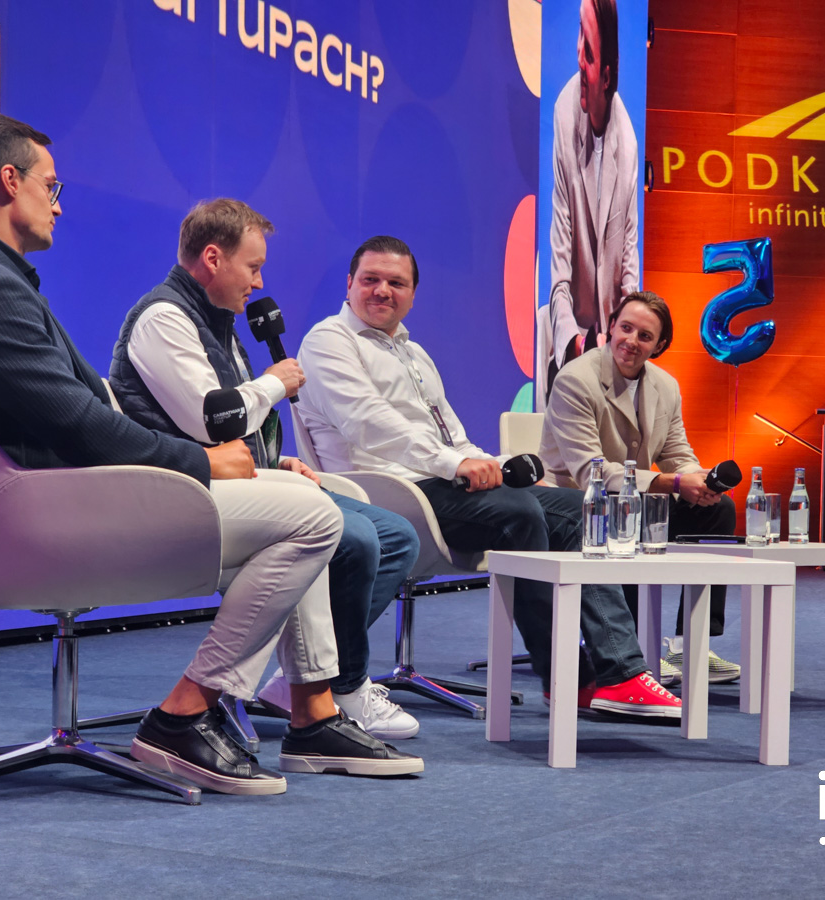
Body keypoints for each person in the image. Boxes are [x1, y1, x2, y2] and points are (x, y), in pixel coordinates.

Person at [0, 114, 420, 798]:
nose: (58, 203)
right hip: (53, 511)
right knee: (312, 519)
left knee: (304, 506)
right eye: (51, 186)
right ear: (9, 182)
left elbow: (87, 415)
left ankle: (306, 712)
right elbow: (85, 428)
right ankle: (187, 712)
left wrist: (240, 466)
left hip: (63, 495)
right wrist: (203, 464)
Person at [296, 235, 680, 718]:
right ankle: (564, 676)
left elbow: (453, 436)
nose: (382, 291)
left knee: (581, 509)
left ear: (413, 293)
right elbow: (368, 423)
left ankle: (616, 673)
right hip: (384, 490)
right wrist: (453, 465)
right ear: (349, 283)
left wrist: (498, 467)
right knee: (518, 513)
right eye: (371, 279)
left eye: (396, 283)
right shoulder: (329, 340)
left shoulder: (414, 354)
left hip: (439, 483)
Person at [109, 198, 421, 740]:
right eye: (253, 267)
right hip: (188, 494)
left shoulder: (219, 321)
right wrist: (276, 381)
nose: (258, 283)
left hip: (245, 480)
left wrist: (276, 461)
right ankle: (328, 694)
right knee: (347, 536)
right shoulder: (164, 318)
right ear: (213, 258)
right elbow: (213, 420)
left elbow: (236, 427)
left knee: (395, 535)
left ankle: (311, 687)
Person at [539, 291, 741, 685]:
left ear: (659, 345)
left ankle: (690, 644)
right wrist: (673, 482)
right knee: (625, 514)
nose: (631, 341)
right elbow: (592, 473)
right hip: (579, 505)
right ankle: (630, 651)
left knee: (718, 510)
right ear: (611, 326)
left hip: (635, 498)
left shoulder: (666, 386)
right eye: (626, 328)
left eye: (644, 336)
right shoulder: (575, 380)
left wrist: (699, 481)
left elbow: (677, 453)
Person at [548, 0, 639, 389]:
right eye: (578, 39)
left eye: (587, 50)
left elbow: (628, 254)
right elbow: (561, 246)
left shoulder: (627, 142)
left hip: (611, 337)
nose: (578, 57)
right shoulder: (564, 112)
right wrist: (573, 341)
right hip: (573, 332)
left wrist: (628, 331)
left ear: (606, 74)